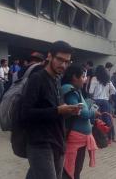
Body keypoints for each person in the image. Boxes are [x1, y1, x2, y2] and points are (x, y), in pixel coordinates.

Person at [20, 41, 82, 179]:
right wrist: (58, 111)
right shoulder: (37, 79)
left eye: (67, 61)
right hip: (40, 144)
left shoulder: (56, 80)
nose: (63, 65)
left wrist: (68, 112)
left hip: (58, 142)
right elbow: (25, 113)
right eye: (60, 59)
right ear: (49, 56)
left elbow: (56, 111)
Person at [61, 64, 101, 179]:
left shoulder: (74, 90)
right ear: (74, 77)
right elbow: (83, 113)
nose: (84, 80)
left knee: (75, 168)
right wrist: (93, 112)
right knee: (72, 169)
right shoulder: (70, 90)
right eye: (83, 77)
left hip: (80, 138)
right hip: (75, 139)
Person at [89, 65, 116, 142]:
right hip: (105, 101)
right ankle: (110, 137)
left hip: (95, 101)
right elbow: (114, 90)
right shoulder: (107, 79)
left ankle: (98, 137)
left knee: (95, 119)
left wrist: (92, 98)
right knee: (107, 119)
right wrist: (109, 96)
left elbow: (91, 91)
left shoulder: (94, 78)